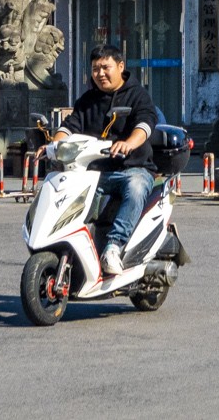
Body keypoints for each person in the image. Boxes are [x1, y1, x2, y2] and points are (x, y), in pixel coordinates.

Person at [59, 46, 159, 275]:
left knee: (136, 188)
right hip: (94, 171)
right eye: (95, 69)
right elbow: (69, 127)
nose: (100, 73)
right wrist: (54, 145)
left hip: (132, 168)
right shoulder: (87, 100)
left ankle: (113, 247)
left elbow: (145, 124)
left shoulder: (138, 95)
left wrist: (129, 143)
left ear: (121, 67)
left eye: (106, 67)